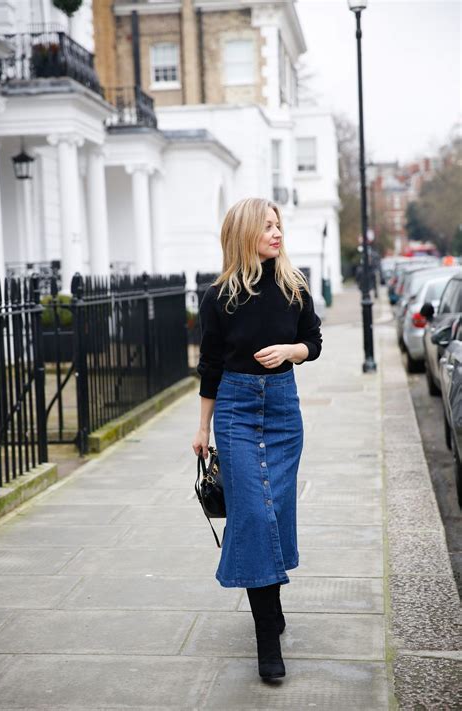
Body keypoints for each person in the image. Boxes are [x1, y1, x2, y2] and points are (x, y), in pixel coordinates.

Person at [192, 197, 323, 680]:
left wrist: (291, 351)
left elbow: (314, 341)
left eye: (279, 224)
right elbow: (208, 367)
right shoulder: (218, 296)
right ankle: (267, 636)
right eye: (267, 226)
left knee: (274, 509)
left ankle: (270, 605)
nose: (276, 232)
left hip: (284, 411)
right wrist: (202, 428)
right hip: (235, 410)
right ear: (245, 233)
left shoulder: (294, 286)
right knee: (251, 512)